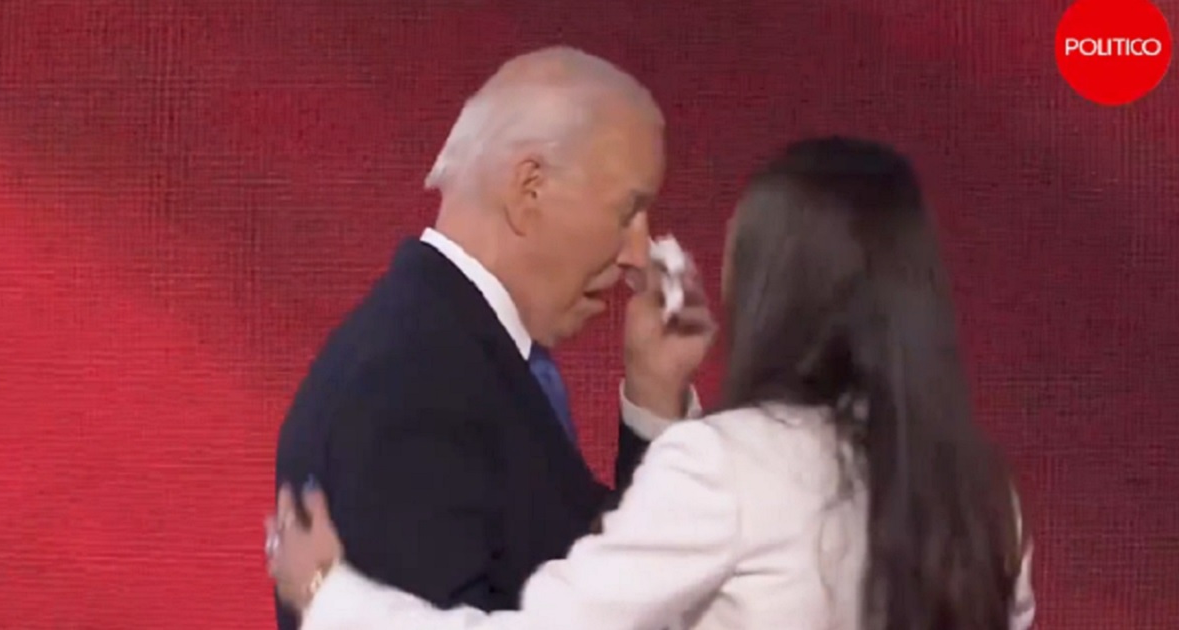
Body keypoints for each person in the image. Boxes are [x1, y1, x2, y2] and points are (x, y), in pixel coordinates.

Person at [267, 137, 1037, 630]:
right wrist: (659, 399)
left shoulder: (732, 469)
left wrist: (335, 597)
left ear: (775, 287)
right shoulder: (983, 495)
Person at [270, 47, 716, 630]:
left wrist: (656, 396)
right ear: (529, 188)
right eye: (627, 212)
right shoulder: (412, 380)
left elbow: (614, 591)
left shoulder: (463, 358)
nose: (638, 253)